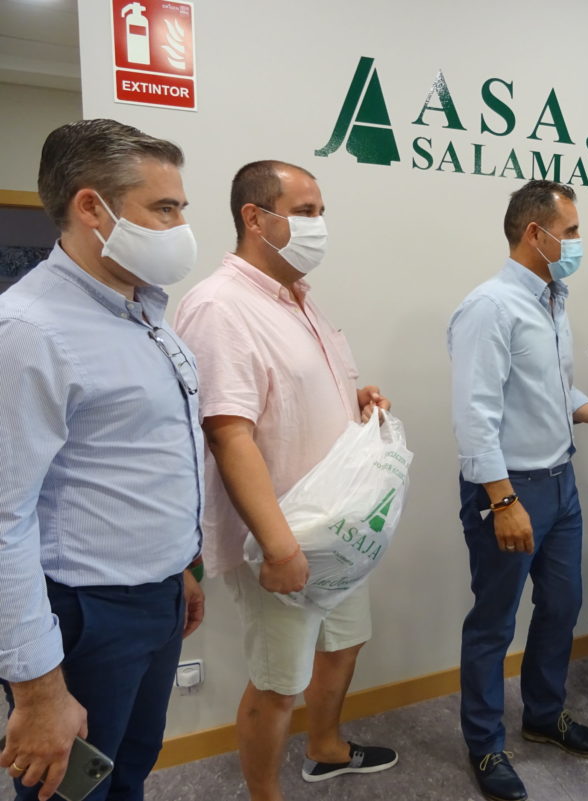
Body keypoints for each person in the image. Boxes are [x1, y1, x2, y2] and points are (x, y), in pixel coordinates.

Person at [174, 161, 395, 801]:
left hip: (335, 527)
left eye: (320, 212)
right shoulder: (220, 306)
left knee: (345, 643)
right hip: (281, 535)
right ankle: (264, 793)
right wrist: (278, 547)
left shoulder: (300, 299)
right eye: (304, 212)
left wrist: (355, 398)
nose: (318, 226)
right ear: (254, 217)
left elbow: (292, 396)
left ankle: (325, 748)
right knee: (278, 682)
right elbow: (227, 433)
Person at [0, 118, 205, 801]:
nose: (181, 226)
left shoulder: (143, 310)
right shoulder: (31, 332)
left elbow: (143, 460)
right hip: (84, 615)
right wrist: (37, 689)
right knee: (70, 789)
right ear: (93, 207)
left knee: (129, 768)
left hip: (157, 597)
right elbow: (4, 518)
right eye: (165, 208)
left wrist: (180, 566)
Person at [448, 179, 588, 801]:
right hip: (510, 490)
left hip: (559, 483)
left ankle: (543, 715)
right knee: (493, 621)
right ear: (534, 234)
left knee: (561, 607)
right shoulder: (489, 307)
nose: (577, 243)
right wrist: (502, 500)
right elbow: (475, 414)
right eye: (570, 232)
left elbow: (548, 389)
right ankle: (485, 747)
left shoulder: (552, 298)